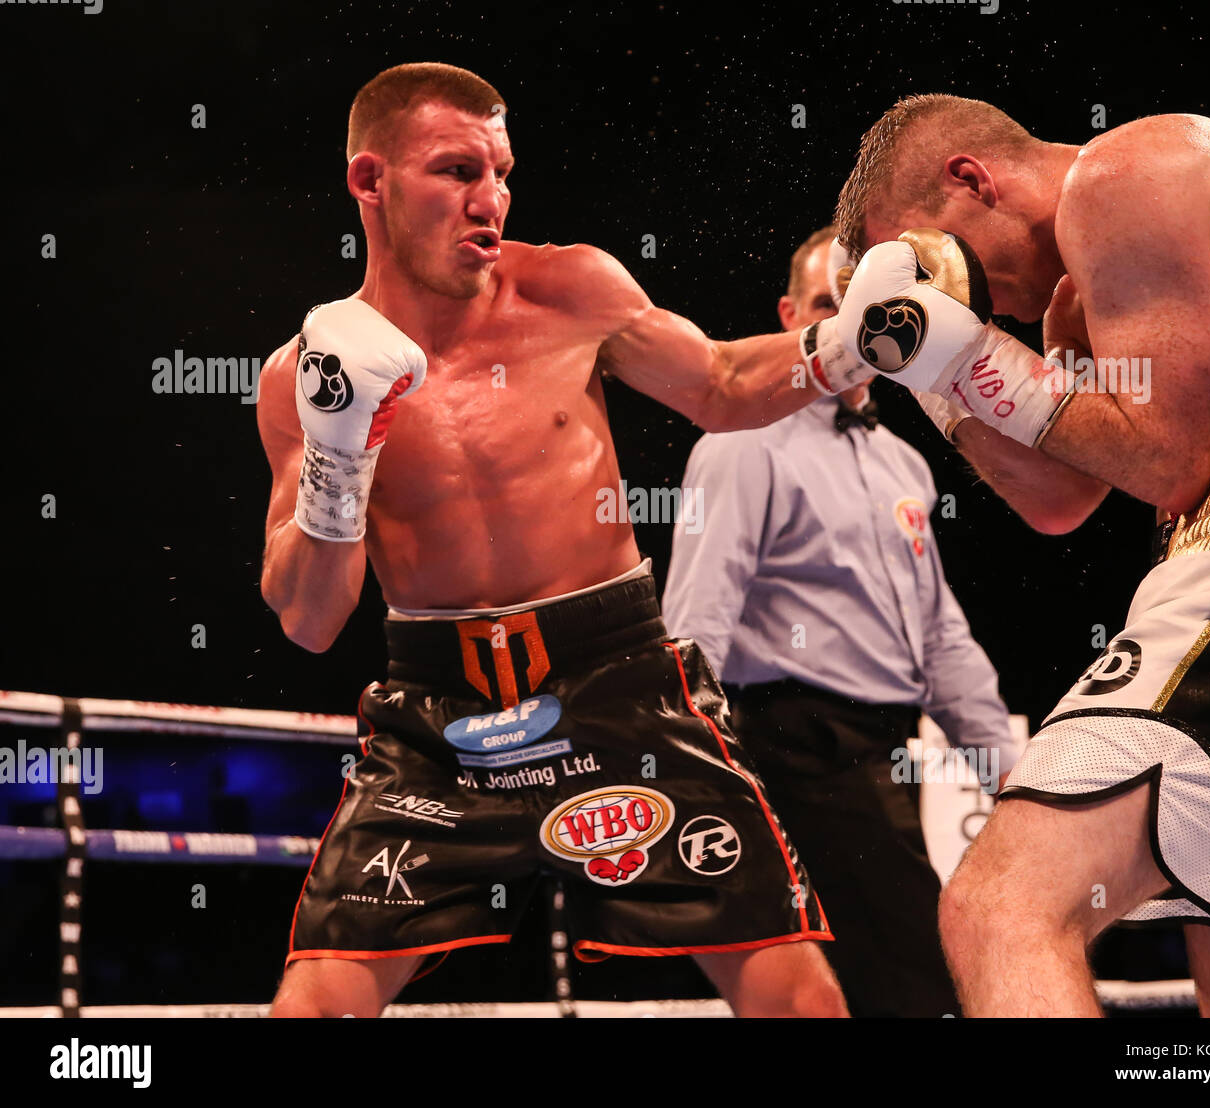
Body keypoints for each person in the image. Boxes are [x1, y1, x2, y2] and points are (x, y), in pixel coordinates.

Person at [256, 62, 885, 1018]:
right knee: (313, 1007)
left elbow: (718, 383)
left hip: (620, 682)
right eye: (458, 171)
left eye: (501, 172)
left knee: (799, 998)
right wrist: (339, 458)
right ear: (369, 182)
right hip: (436, 719)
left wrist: (856, 345)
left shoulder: (568, 289)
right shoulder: (305, 376)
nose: (492, 201)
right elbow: (308, 618)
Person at [826, 93, 1210, 1016]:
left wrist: (945, 336)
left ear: (973, 180)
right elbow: (1059, 499)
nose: (971, 295)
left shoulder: (1127, 170)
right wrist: (926, 358)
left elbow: (1170, 460)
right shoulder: (1082, 298)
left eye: (940, 259)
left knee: (1001, 907)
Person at [662, 225, 1018, 1016]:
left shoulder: (904, 464)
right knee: (916, 980)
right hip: (793, 747)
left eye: (875, 309)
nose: (860, 329)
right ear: (796, 317)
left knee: (880, 985)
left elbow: (939, 637)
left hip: (884, 755)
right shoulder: (744, 441)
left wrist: (1010, 779)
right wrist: (687, 767)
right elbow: (697, 619)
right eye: (834, 306)